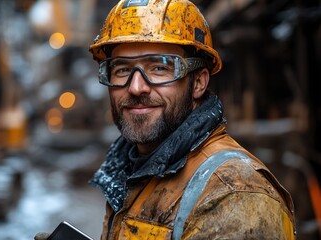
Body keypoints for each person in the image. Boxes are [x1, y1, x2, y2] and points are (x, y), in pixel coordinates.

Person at [86, 0, 295, 239]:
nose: (136, 87)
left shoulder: (234, 193)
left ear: (198, 83)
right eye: (122, 69)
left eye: (159, 68)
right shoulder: (131, 172)